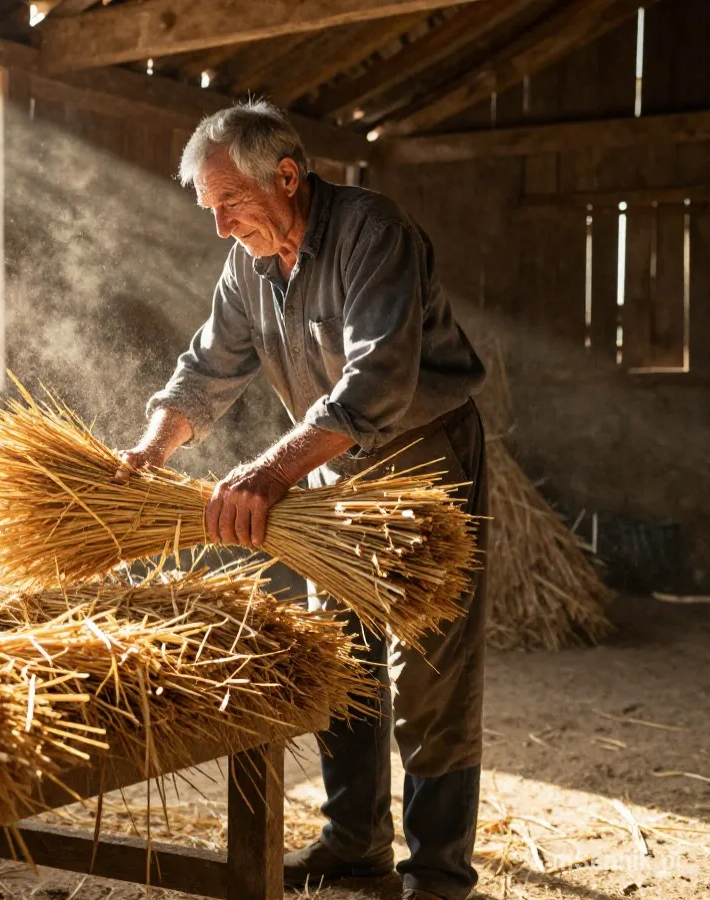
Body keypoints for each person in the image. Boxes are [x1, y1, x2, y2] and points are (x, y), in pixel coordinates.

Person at [117, 100, 490, 900]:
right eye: (210, 210)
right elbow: (207, 367)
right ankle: (355, 843)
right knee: (344, 656)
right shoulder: (248, 266)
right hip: (327, 469)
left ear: (287, 177)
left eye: (231, 205)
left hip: (421, 457)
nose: (221, 227)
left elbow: (378, 383)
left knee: (429, 672)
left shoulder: (371, 232)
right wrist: (154, 445)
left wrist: (269, 472)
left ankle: (438, 876)